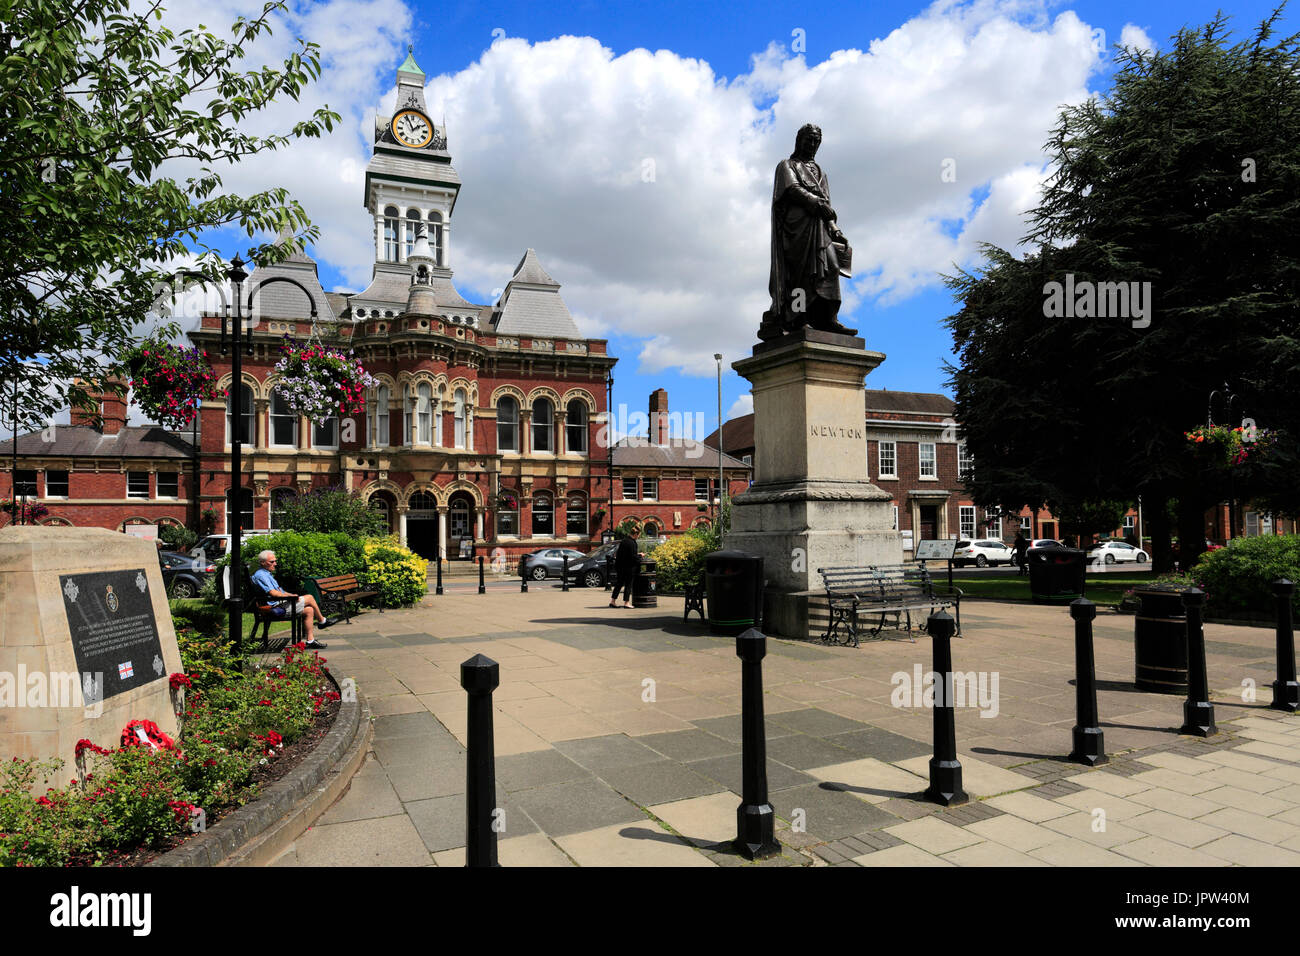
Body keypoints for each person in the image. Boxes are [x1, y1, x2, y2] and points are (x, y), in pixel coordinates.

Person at [758, 123, 857, 341]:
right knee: (799, 276)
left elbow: (827, 205)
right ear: (799, 140)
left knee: (830, 268)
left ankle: (827, 318)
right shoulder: (787, 165)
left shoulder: (821, 172)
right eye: (809, 139)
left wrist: (835, 229)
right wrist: (814, 202)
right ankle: (797, 317)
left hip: (820, 231)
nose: (812, 144)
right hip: (797, 229)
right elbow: (791, 189)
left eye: (816, 141)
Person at [250, 549, 333, 648]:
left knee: (309, 610)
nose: (275, 564)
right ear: (262, 563)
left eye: (275, 561)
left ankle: (310, 641)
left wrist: (291, 595)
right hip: (274, 606)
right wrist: (289, 597)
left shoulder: (266, 573)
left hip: (279, 603)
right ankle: (322, 621)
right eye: (272, 562)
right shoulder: (261, 575)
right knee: (310, 598)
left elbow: (280, 591)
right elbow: (273, 593)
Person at [608, 532, 640, 609]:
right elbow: (633, 556)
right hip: (629, 567)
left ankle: (612, 601)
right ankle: (626, 603)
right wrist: (640, 555)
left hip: (620, 567)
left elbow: (620, 554)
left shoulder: (624, 541)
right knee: (628, 585)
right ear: (635, 534)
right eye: (638, 535)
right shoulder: (632, 543)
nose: (638, 537)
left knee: (619, 584)